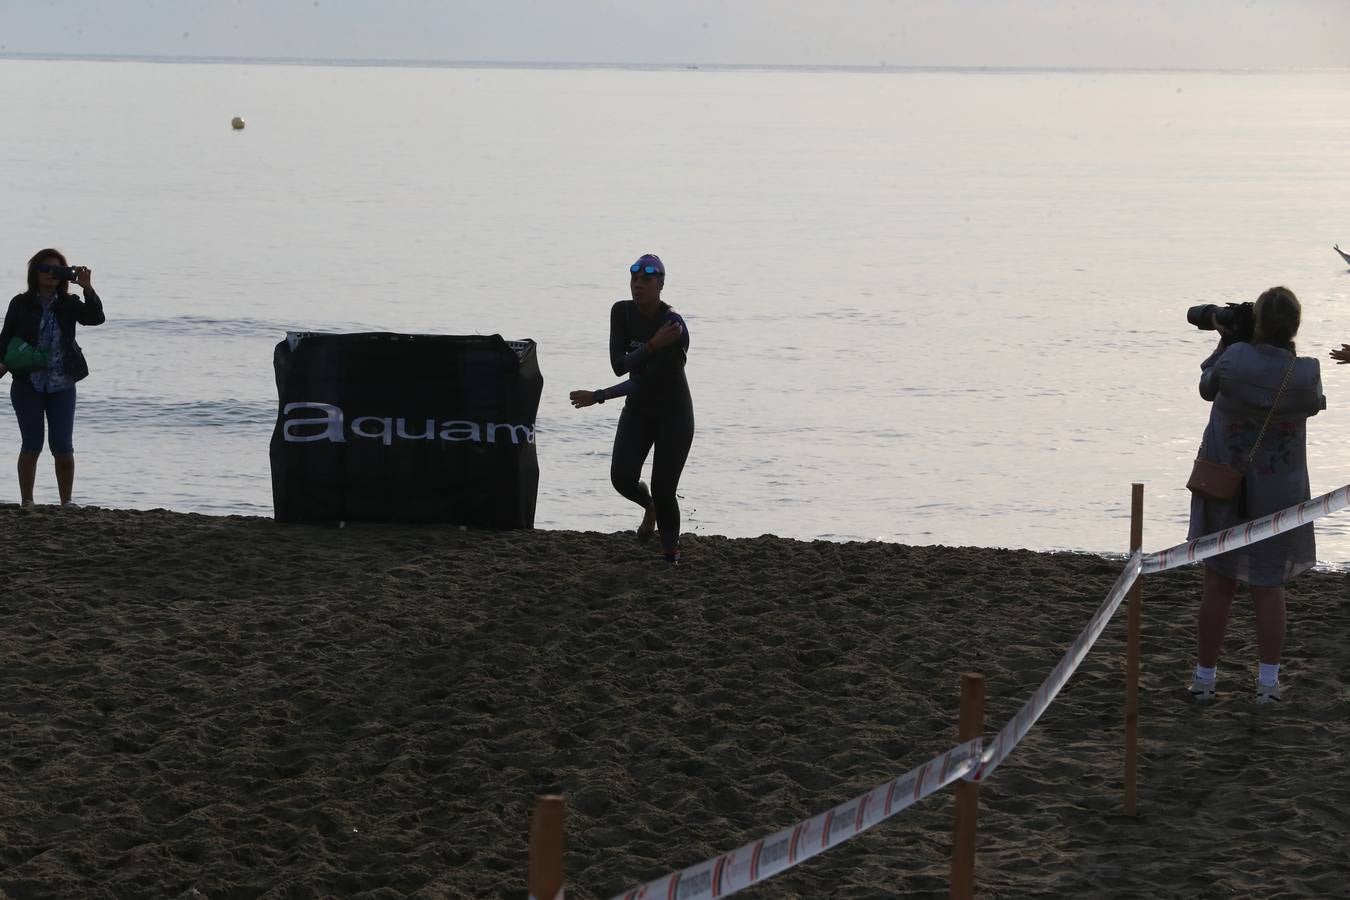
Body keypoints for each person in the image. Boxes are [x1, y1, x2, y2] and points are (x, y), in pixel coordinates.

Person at [1187, 286, 1324, 704]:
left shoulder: (1235, 359)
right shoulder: (1306, 371)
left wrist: (1227, 341)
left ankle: (1205, 680)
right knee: (1269, 588)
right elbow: (1315, 403)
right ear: (1295, 325)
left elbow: (1207, 387)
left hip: (1225, 486)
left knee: (1219, 584)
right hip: (1280, 496)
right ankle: (1267, 684)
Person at [569, 253, 693, 563]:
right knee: (621, 478)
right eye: (634, 279)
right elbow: (619, 366)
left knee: (664, 489)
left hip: (673, 414)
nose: (638, 285)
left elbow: (645, 380)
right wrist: (651, 346)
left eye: (646, 280)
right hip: (638, 411)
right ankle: (647, 507)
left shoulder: (673, 325)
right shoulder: (622, 313)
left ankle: (670, 554)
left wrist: (598, 396)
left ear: (660, 285)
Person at [0, 249, 106, 507]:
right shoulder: (21, 303)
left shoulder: (68, 304)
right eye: (46, 269)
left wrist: (87, 288)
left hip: (62, 383)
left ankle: (66, 502)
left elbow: (95, 318)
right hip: (27, 383)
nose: (51, 274)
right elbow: (5, 337)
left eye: (57, 270)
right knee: (32, 443)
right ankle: (27, 501)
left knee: (62, 445)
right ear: (34, 273)